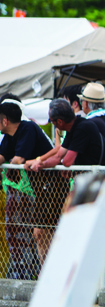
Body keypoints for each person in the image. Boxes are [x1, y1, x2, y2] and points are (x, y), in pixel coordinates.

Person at [26, 99, 105, 261]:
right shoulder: (74, 128)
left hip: (99, 182)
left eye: (52, 122)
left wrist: (40, 164)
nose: (53, 125)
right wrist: (40, 163)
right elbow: (58, 155)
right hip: (89, 183)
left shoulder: (83, 127)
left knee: (86, 230)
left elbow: (67, 161)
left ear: (59, 122)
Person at [0, 99, 54, 279]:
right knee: (35, 234)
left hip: (52, 187)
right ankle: (41, 274)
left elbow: (18, 160)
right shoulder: (9, 135)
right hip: (38, 189)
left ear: (5, 120)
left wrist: (8, 168)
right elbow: (2, 157)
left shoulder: (28, 128)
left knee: (42, 233)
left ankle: (48, 275)